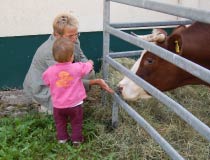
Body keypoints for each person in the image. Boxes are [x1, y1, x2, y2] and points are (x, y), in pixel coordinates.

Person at [23, 13, 113, 114]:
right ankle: (43, 105)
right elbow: (63, 81)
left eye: (76, 34)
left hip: (63, 76)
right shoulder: (51, 51)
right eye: (70, 36)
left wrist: (87, 65)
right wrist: (94, 82)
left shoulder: (72, 39)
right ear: (57, 35)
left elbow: (81, 56)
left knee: (89, 72)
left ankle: (74, 98)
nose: (75, 38)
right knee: (61, 110)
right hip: (43, 86)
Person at [42, 37, 93, 144]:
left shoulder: (49, 71)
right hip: (75, 104)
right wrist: (90, 62)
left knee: (60, 123)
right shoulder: (77, 67)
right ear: (71, 57)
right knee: (76, 122)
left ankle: (62, 139)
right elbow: (87, 68)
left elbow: (46, 81)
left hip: (58, 105)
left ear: (54, 57)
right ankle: (77, 140)